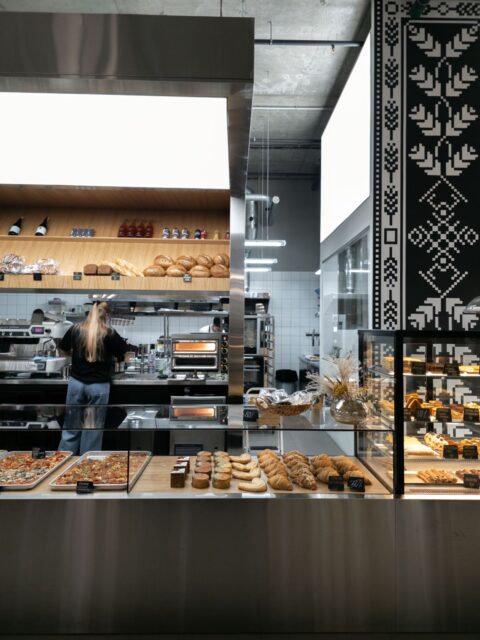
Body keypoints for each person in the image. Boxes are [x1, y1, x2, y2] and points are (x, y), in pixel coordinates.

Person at [58, 302, 128, 455]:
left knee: (71, 426)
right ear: (106, 316)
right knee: (92, 429)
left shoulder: (76, 329)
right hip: (98, 386)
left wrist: (74, 357)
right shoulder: (109, 333)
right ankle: (87, 463)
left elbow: (62, 349)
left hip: (76, 383)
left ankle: (63, 461)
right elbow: (123, 355)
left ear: (89, 314)